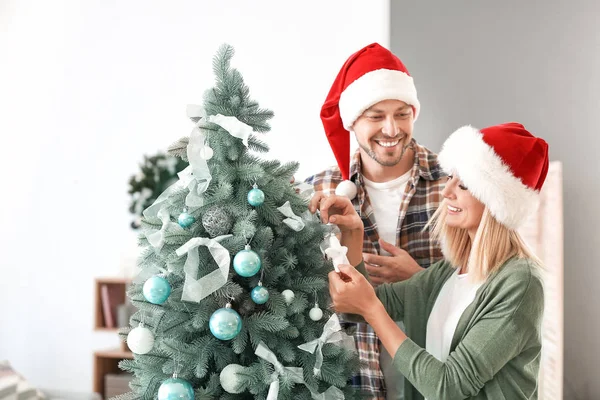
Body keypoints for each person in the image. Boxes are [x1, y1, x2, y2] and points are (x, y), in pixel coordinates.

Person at [311, 122, 549, 400]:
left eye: (463, 185)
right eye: (451, 178)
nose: (447, 191)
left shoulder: (520, 282)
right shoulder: (449, 271)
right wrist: (353, 233)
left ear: (495, 201)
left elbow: (448, 386)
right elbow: (359, 306)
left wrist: (372, 309)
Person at [304, 43, 446, 398]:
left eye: (402, 113)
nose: (391, 129)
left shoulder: (453, 186)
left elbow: (492, 288)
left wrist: (420, 281)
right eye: (375, 115)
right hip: (356, 381)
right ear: (352, 121)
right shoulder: (317, 192)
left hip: (438, 375)